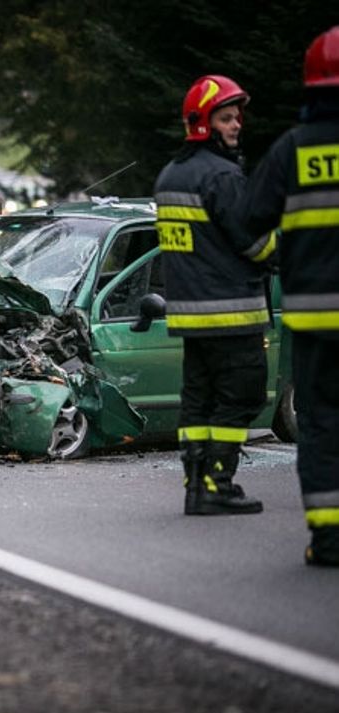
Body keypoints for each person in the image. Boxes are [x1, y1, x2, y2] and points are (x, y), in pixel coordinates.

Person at [234, 27, 339, 566]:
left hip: (316, 316)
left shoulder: (292, 150)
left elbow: (248, 223)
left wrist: (280, 256)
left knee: (321, 423)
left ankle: (328, 538)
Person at [153, 74, 278, 516]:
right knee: (242, 396)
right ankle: (217, 482)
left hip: (191, 318)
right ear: (203, 124)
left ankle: (196, 485)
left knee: (200, 401)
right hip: (232, 313)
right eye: (227, 117)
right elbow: (257, 244)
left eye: (237, 117)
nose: (237, 124)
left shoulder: (171, 175)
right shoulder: (222, 176)